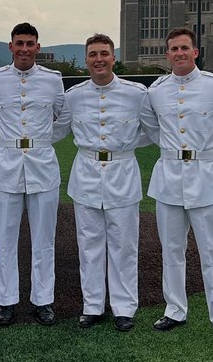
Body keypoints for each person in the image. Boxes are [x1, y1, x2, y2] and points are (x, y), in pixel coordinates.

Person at [140, 27, 213, 340]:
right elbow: (151, 129)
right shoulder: (156, 91)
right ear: (167, 54)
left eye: (185, 48)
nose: (179, 53)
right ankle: (174, 309)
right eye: (174, 49)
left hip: (205, 175)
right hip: (169, 176)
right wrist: (172, 151)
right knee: (171, 250)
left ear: (195, 52)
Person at [63, 33, 151, 332]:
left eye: (104, 53)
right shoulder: (73, 96)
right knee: (88, 245)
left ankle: (124, 307)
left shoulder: (136, 93)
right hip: (86, 173)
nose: (98, 59)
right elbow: (62, 128)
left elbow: (151, 130)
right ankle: (92, 305)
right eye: (92, 54)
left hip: (122, 173)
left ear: (114, 57)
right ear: (86, 59)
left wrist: (124, 148)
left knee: (124, 245)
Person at [0, 22, 67, 326]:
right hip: (6, 166)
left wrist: (41, 141)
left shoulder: (53, 80)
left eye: (30, 43)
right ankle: (4, 301)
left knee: (44, 239)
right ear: (10, 47)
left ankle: (43, 300)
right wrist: (8, 139)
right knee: (4, 239)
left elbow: (64, 118)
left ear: (38, 48)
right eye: (19, 43)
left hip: (43, 166)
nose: (24, 49)